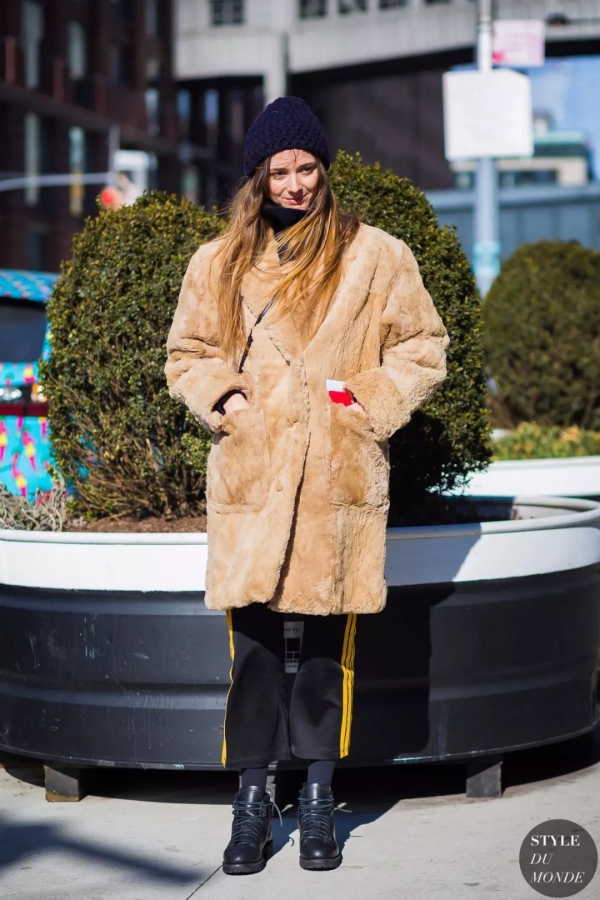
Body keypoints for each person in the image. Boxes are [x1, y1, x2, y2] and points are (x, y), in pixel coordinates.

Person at [165, 96, 449, 875]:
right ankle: (252, 798)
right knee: (253, 651)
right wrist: (227, 401)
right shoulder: (217, 262)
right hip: (255, 478)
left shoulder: (376, 256)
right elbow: (187, 351)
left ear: (325, 169)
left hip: (336, 474)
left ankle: (320, 794)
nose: (296, 184)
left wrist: (365, 404)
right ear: (257, 178)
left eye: (308, 168)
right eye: (281, 171)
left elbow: (423, 346)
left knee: (329, 650)